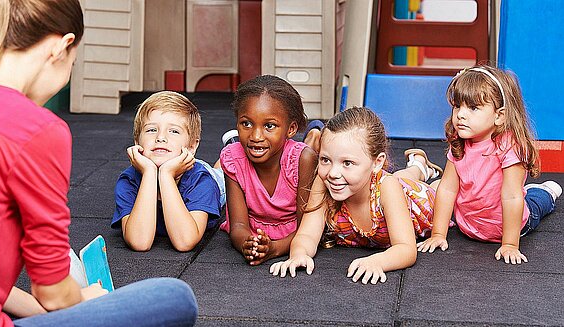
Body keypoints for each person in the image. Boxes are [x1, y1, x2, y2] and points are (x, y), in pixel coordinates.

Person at [0, 1, 197, 325]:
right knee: (175, 298)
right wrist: (85, 302)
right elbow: (52, 292)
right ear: (62, 47)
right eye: (74, 63)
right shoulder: (38, 129)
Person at [270, 107, 445, 284]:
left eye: (347, 163)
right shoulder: (324, 183)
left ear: (377, 162)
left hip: (416, 199)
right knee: (397, 178)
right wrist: (299, 255)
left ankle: (420, 168)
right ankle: (417, 166)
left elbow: (406, 249)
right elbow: (307, 235)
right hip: (376, 182)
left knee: (427, 189)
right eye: (325, 160)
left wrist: (377, 261)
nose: (333, 173)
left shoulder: (388, 188)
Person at [417, 65, 562, 264]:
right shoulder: (460, 143)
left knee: (536, 203)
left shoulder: (509, 147)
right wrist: (438, 234)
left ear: (499, 116)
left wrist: (510, 244)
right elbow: (448, 189)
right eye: (458, 106)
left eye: (473, 108)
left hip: (510, 226)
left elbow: (511, 196)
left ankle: (546, 192)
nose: (460, 114)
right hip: (469, 226)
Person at [220, 75, 319, 266]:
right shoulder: (232, 159)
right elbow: (238, 225)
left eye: (269, 126)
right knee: (230, 156)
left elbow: (307, 228)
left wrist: (275, 249)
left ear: (291, 129)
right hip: (255, 227)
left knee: (320, 154)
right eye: (246, 124)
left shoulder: (303, 160)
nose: (256, 136)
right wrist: (246, 244)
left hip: (293, 232)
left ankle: (315, 135)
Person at [112, 91, 223, 252]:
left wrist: (165, 175)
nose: (161, 137)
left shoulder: (202, 180)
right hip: (175, 165)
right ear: (137, 141)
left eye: (174, 131)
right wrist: (150, 173)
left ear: (192, 146)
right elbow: (139, 242)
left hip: (207, 175)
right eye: (151, 130)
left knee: (225, 175)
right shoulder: (128, 180)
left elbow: (185, 242)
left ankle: (230, 152)